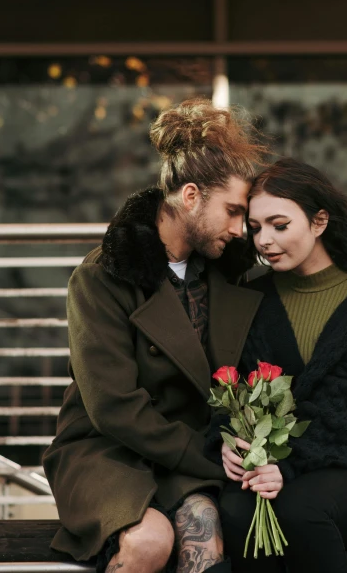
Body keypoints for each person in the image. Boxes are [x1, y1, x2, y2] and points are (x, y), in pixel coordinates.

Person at [43, 98, 269, 573]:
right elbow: (112, 407)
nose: (240, 229)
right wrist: (210, 455)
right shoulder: (102, 277)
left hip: (184, 453)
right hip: (104, 451)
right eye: (232, 211)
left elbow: (297, 315)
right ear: (190, 196)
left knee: (205, 533)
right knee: (150, 541)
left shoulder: (230, 277)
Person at [211, 157, 347, 573]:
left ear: (319, 222)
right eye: (255, 228)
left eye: (279, 225)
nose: (264, 240)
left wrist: (286, 466)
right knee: (238, 511)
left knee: (299, 511)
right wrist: (228, 441)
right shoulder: (252, 297)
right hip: (270, 465)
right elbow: (235, 388)